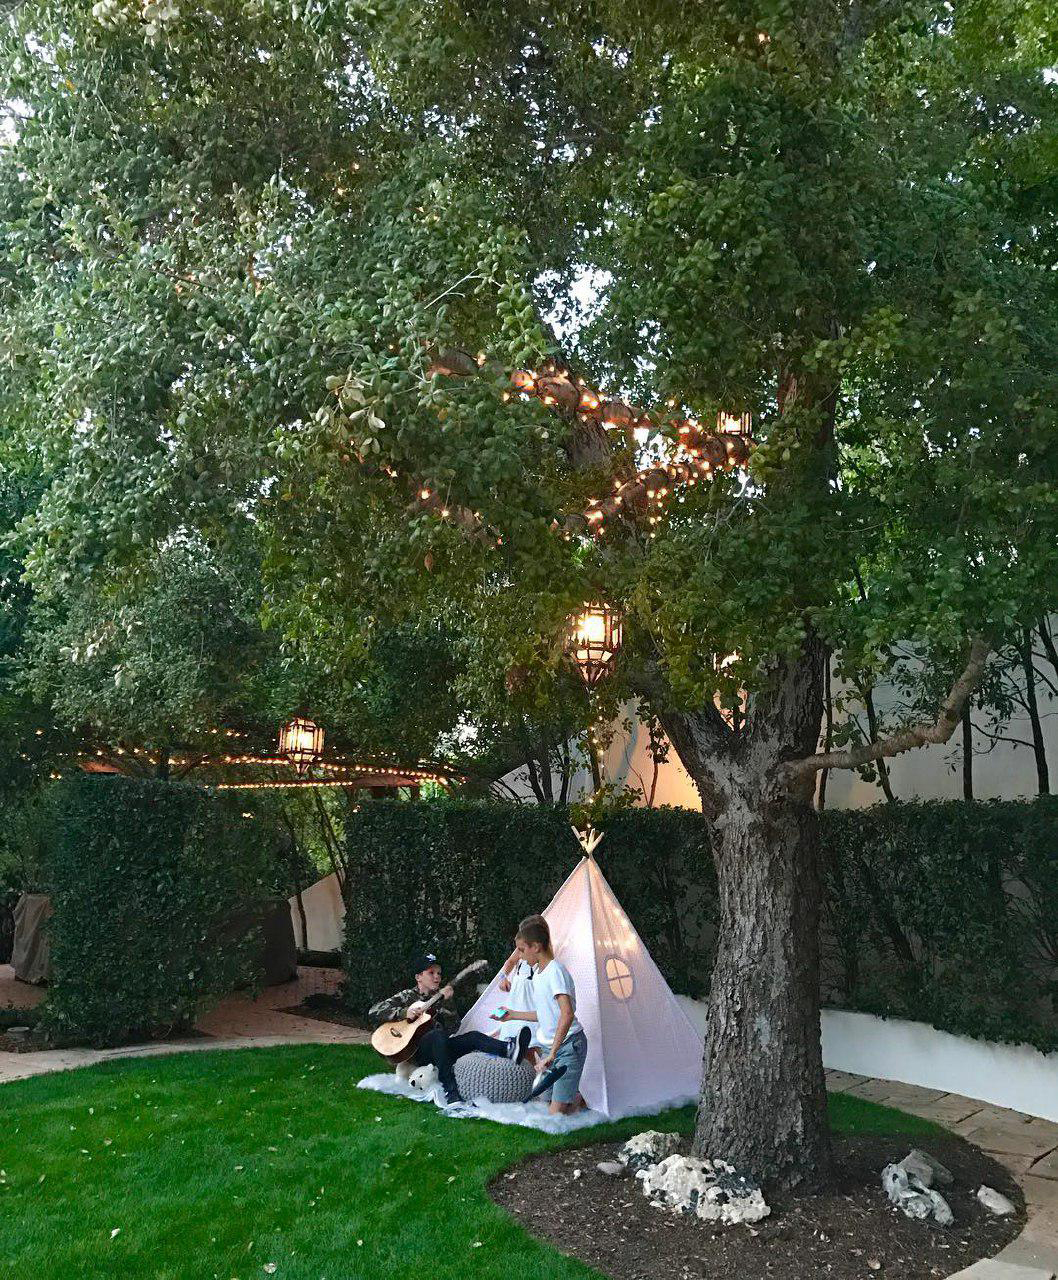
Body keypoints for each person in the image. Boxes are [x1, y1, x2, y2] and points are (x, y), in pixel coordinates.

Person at [369, 952, 531, 1105]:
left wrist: (447, 1002)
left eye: (439, 973)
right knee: (436, 1035)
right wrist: (404, 1012)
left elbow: (453, 1028)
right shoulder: (407, 996)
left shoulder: (442, 998)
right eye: (431, 973)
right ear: (418, 977)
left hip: (441, 1050)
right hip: (417, 1052)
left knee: (472, 1036)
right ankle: (451, 1091)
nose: (437, 977)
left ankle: (508, 1049)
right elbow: (374, 1011)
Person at [493, 915, 587, 1115]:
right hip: (550, 1048)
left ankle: (573, 1099)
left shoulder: (555, 972)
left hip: (568, 1046)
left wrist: (552, 1054)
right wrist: (512, 1015)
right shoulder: (539, 974)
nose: (519, 955)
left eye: (521, 950)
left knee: (554, 1117)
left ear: (536, 947)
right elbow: (544, 1013)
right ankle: (574, 1099)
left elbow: (567, 1014)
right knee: (544, 1105)